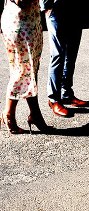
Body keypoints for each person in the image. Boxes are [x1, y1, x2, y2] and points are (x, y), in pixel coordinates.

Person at [1, 0, 49, 133]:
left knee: (31, 70)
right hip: (21, 24)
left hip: (30, 21)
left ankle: (35, 113)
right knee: (23, 71)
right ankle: (9, 114)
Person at [41, 0, 89, 118]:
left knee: (71, 53)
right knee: (57, 55)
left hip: (75, 8)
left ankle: (66, 93)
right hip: (56, 8)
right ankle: (54, 99)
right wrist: (46, 6)